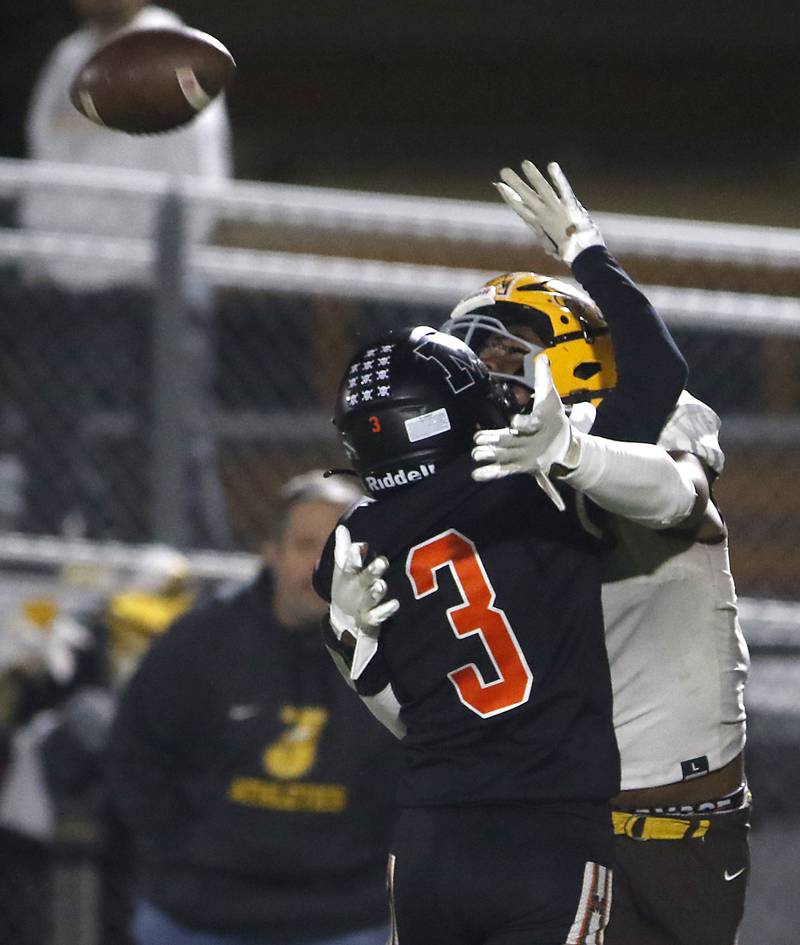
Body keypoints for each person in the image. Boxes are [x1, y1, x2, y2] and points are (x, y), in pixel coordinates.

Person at [314, 325, 708, 945]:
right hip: (547, 831)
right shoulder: (538, 487)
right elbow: (660, 374)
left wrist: (344, 637)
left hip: (429, 836)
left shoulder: (352, 538)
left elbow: (387, 699)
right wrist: (585, 248)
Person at [444, 160, 751, 945]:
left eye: (507, 356)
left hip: (680, 826)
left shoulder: (654, 435)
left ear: (573, 351)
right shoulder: (477, 482)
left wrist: (588, 255)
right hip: (548, 815)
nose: (485, 377)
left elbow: (672, 483)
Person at [106, 471, 402, 945]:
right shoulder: (196, 644)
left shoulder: (403, 651)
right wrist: (183, 856)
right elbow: (134, 756)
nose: (322, 566)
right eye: (306, 546)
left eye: (341, 550)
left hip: (348, 916)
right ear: (271, 551)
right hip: (199, 914)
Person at [22, 0, 233, 290]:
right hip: (58, 283)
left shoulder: (178, 53)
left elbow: (201, 180)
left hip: (144, 287)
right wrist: (37, 259)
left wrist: (165, 272)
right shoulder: (67, 57)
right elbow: (42, 155)